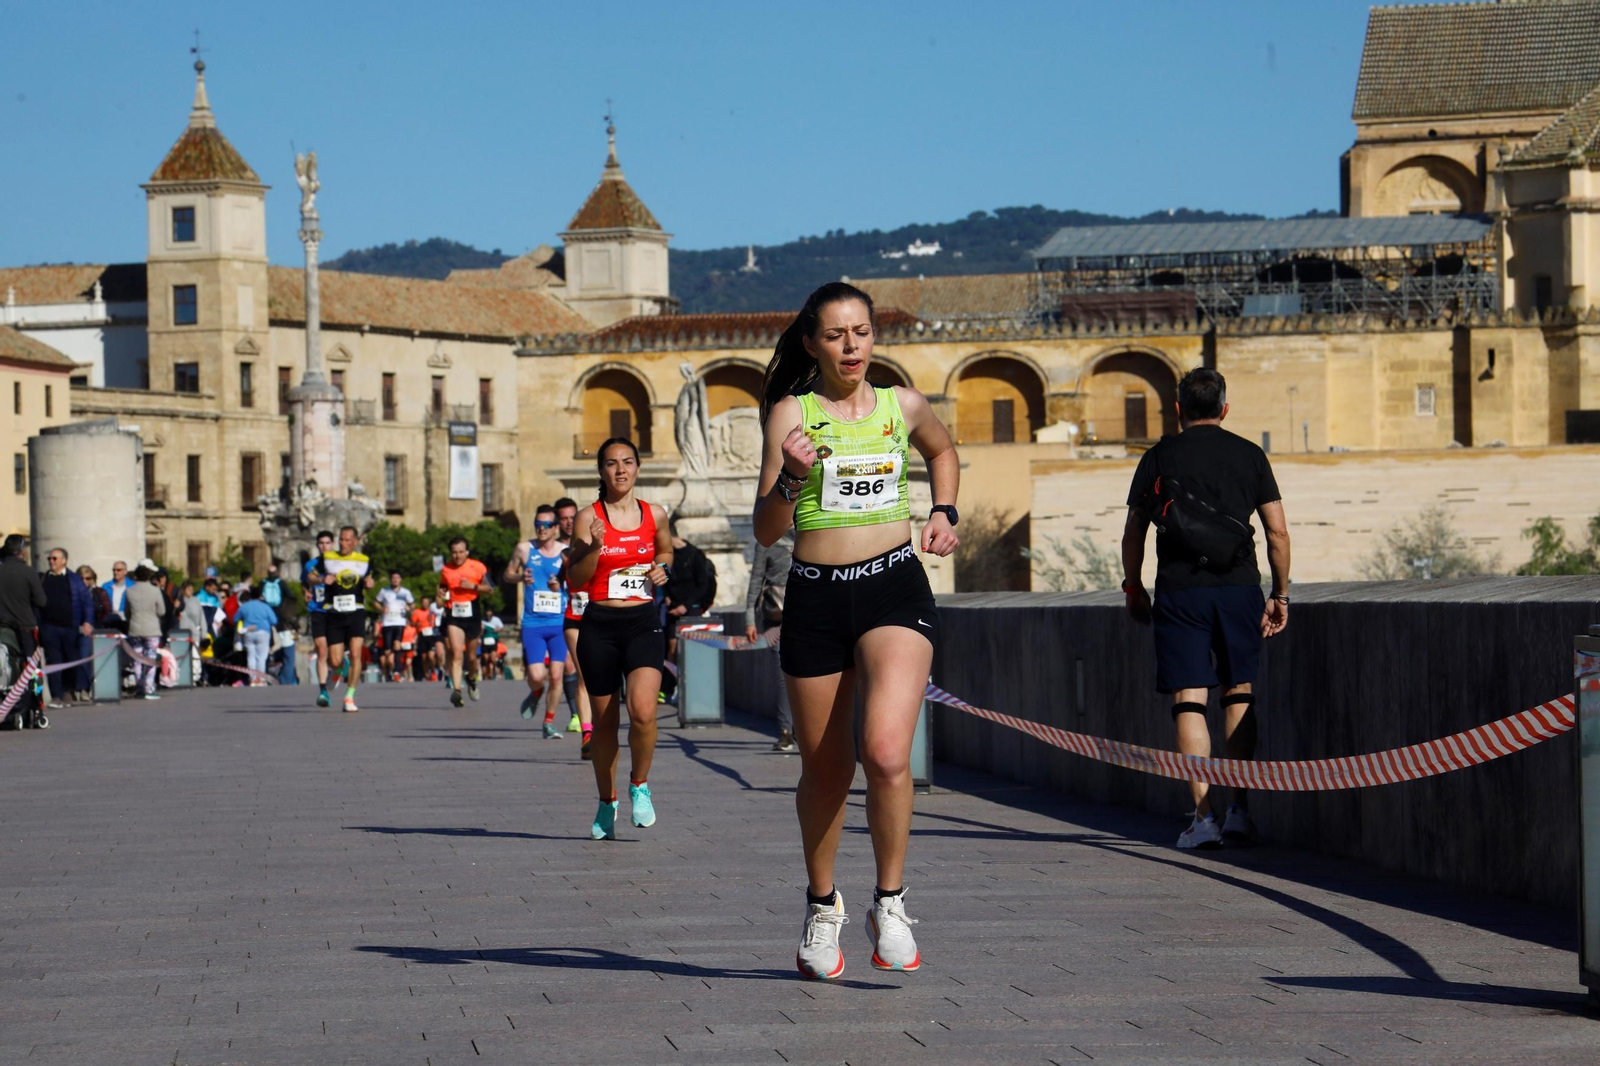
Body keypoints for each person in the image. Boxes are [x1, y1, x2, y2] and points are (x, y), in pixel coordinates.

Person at [752, 281, 960, 979]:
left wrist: (945, 512)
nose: (851, 346)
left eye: (862, 332)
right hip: (815, 597)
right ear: (811, 342)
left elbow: (943, 452)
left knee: (887, 752)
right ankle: (821, 906)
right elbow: (765, 530)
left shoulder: (902, 405)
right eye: (837, 334)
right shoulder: (791, 413)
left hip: (894, 587)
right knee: (826, 770)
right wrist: (790, 480)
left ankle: (892, 900)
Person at [1121, 367, 1292, 850]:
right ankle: (1239, 810)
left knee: (1189, 698)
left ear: (1177, 410)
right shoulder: (1250, 454)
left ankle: (1203, 818)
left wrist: (1134, 588)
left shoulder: (1158, 457)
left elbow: (1135, 532)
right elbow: (1276, 532)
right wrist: (1279, 594)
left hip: (1179, 591)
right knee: (1239, 691)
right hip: (1239, 588)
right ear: (1224, 408)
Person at [568, 438, 673, 840]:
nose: (620, 470)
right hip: (599, 624)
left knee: (644, 712)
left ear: (638, 468)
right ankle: (606, 800)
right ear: (601, 472)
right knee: (607, 723)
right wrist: (595, 546)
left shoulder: (655, 514)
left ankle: (639, 784)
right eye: (611, 464)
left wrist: (663, 569)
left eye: (627, 462)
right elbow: (576, 578)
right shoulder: (587, 517)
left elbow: (665, 553)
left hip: (643, 621)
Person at [507, 504, 571, 739]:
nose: (541, 529)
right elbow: (507, 574)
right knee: (536, 676)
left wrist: (561, 584)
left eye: (546, 525)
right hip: (533, 623)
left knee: (556, 674)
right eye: (537, 525)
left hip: (558, 622)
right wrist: (519, 577)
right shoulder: (524, 549)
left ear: (555, 528)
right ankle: (536, 693)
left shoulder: (566, 551)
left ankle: (548, 722)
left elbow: (578, 581)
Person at [744, 530, 795, 752]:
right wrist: (749, 620)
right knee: (782, 674)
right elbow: (756, 580)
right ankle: (785, 731)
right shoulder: (767, 540)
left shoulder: (810, 534)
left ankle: (803, 731)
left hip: (810, 614)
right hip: (776, 616)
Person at [660, 514, 718, 704]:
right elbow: (664, 578)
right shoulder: (666, 556)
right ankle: (674, 685)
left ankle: (691, 688)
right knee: (672, 649)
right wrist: (667, 596)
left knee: (690, 650)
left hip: (691, 608)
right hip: (672, 608)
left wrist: (685, 606)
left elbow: (702, 585)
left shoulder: (694, 555)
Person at [320, 526, 375, 712]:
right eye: (341, 540)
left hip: (356, 611)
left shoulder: (364, 560)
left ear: (356, 541)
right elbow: (311, 575)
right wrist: (321, 580)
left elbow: (369, 579)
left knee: (356, 653)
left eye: (347, 540)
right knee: (334, 660)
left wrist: (369, 584)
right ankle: (338, 669)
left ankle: (349, 697)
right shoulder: (328, 558)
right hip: (334, 612)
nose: (343, 543)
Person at [557, 498, 595, 756]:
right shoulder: (566, 555)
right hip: (574, 619)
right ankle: (587, 734)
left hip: (600, 617)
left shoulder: (602, 551)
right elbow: (561, 578)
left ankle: (601, 727)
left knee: (604, 680)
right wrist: (554, 584)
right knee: (584, 677)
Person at [37, 546, 94, 708]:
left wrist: (87, 622)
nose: (51, 561)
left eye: (55, 558)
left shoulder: (75, 579)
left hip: (70, 627)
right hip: (49, 628)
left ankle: (68, 690)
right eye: (49, 559)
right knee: (53, 661)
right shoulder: (43, 579)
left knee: (70, 660)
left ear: (64, 560)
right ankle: (57, 696)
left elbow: (87, 603)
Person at [438, 537, 489, 708]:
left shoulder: (478, 567)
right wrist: (440, 595)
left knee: (472, 657)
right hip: (454, 613)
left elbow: (490, 589)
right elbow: (443, 589)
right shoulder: (446, 569)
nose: (457, 556)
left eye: (461, 552)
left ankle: (472, 679)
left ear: (467, 552)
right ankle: (457, 691)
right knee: (457, 653)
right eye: (454, 552)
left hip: (472, 611)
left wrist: (472, 586)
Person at [0, 535, 46, 713]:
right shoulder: (28, 572)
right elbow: (41, 601)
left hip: (2, 626)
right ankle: (36, 706)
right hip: (25, 627)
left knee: (6, 664)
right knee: (33, 668)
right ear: (22, 551)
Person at [123, 564, 167, 699]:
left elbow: (127, 612)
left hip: (135, 628)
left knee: (137, 659)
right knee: (151, 659)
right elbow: (162, 611)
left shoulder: (129, 591)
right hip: (152, 629)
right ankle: (149, 688)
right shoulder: (155, 591)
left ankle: (139, 687)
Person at [303, 531, 335, 705]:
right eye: (321, 543)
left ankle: (337, 670)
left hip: (337, 612)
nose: (324, 546)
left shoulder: (339, 563)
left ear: (333, 544)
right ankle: (323, 691)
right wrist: (306, 592)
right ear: (317, 545)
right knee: (321, 650)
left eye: (328, 543)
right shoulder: (310, 565)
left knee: (335, 655)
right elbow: (304, 582)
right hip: (318, 611)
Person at [375, 572, 415, 682]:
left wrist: (409, 608)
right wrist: (381, 609)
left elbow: (413, 604)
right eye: (393, 578)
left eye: (397, 577)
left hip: (400, 621)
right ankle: (389, 671)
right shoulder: (384, 591)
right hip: (387, 622)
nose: (395, 580)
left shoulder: (405, 592)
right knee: (388, 650)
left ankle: (397, 671)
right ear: (390, 579)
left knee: (397, 645)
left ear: (401, 579)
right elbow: (376, 602)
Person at [235, 586, 278, 684]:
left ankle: (252, 678)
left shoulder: (244, 606)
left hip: (248, 633)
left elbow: (235, 619)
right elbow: (274, 620)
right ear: (260, 595)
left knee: (251, 656)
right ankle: (261, 679)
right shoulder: (265, 606)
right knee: (262, 657)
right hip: (263, 632)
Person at [100, 561, 134, 633]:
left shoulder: (132, 586)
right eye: (114, 570)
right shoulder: (106, 586)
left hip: (126, 621)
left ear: (125, 571)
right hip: (110, 620)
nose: (115, 572)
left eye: (119, 570)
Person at [410, 596, 438, 681]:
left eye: (427, 602)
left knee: (431, 656)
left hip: (431, 635)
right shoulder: (417, 612)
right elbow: (412, 623)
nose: (425, 604)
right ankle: (426, 674)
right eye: (423, 602)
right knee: (424, 657)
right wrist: (416, 624)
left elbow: (435, 623)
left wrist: (432, 622)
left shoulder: (432, 612)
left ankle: (433, 670)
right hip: (422, 635)